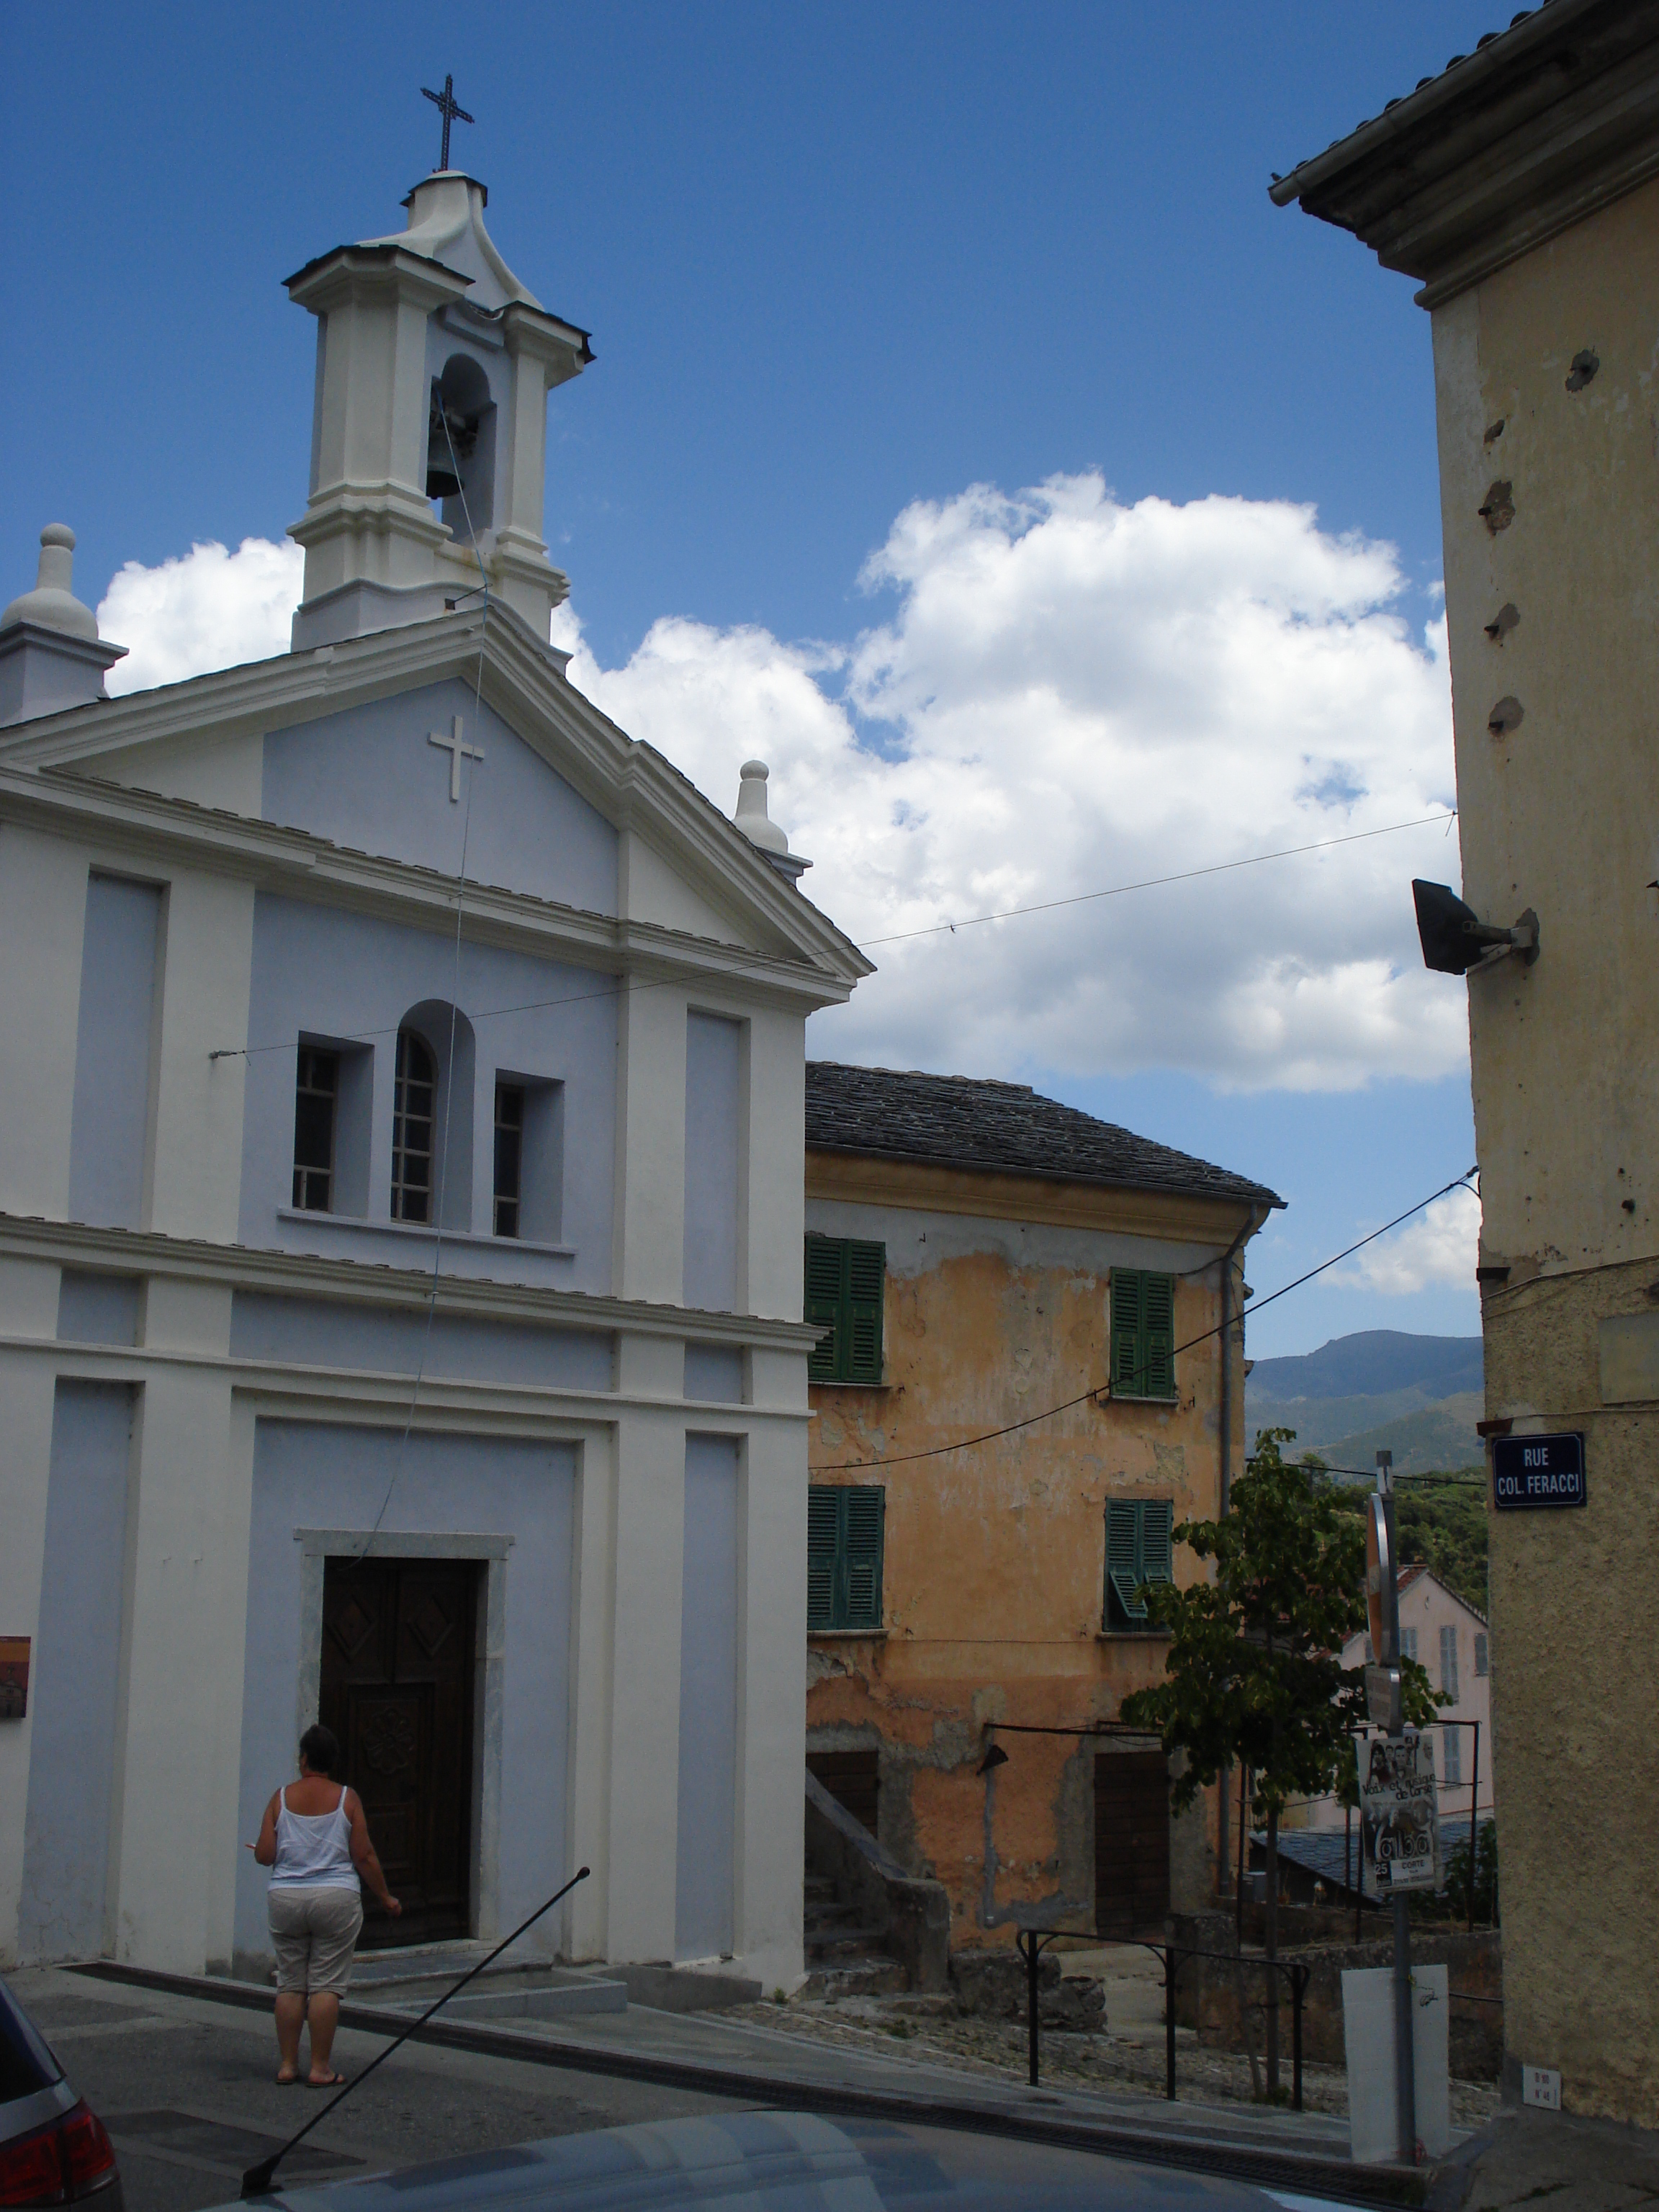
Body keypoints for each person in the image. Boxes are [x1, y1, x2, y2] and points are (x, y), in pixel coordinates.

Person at [250, 1722, 400, 2086]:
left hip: (287, 1897)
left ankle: (288, 2065)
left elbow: (265, 1855)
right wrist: (385, 1897)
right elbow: (363, 1855)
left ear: (303, 1759)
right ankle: (320, 2068)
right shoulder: (347, 1799)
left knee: (290, 1983)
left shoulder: (280, 1798)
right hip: (335, 1897)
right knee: (326, 1984)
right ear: (332, 1761)